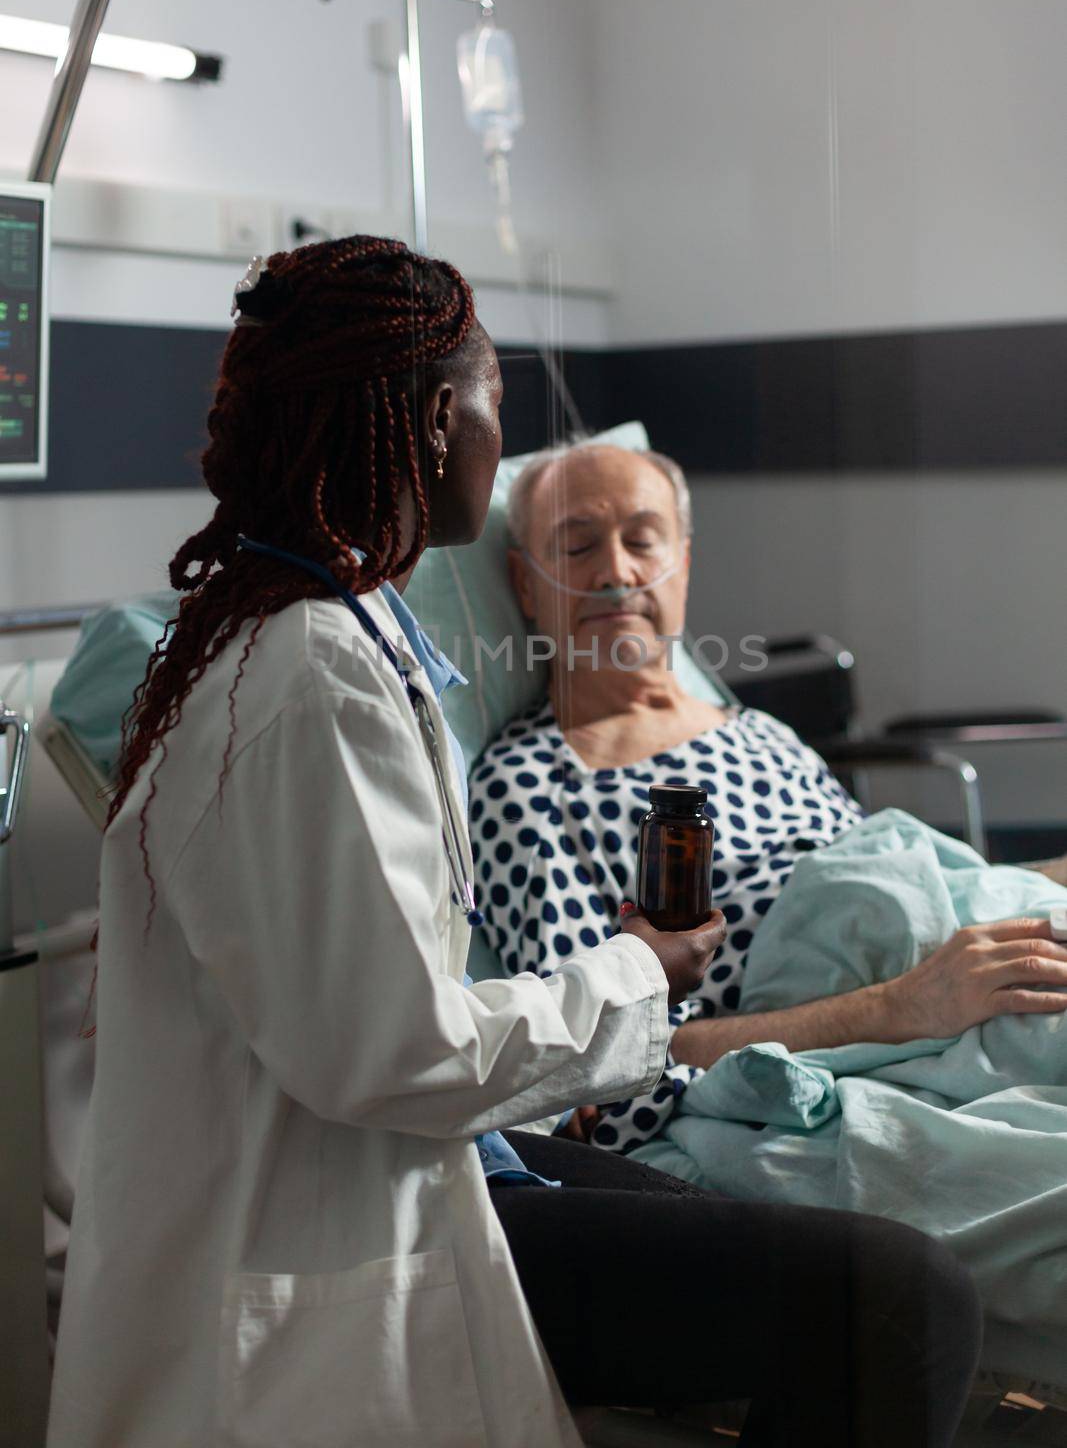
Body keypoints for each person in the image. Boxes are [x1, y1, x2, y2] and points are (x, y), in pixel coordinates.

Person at [48, 238, 981, 1448]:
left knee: (769, 1247)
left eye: (645, 541)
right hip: (337, 1213)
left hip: (438, 1152)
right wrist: (642, 971)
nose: (615, 576)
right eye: (500, 412)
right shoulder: (312, 679)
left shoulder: (313, 636)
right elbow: (397, 1052)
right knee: (899, 1302)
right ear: (442, 421)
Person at [471, 439, 1067, 1151]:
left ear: (681, 566)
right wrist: (902, 1005)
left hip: (984, 986)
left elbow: (911, 892)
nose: (617, 572)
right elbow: (590, 1065)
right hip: (874, 1057)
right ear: (526, 585)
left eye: (641, 540)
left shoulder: (761, 734)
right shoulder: (532, 787)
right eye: (576, 548)